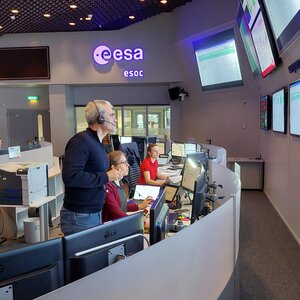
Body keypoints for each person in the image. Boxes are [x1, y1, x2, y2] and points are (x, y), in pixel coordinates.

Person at [60, 99, 122, 236]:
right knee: (82, 257)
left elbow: (94, 173)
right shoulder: (80, 141)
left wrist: (112, 174)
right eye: (112, 115)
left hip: (92, 213)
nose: (115, 119)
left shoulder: (98, 143)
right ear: (100, 118)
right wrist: (107, 176)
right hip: (80, 216)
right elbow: (71, 177)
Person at [102, 150, 152, 222]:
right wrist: (140, 222)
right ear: (114, 167)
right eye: (124, 162)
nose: (128, 165)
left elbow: (122, 206)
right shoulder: (107, 186)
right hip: (111, 228)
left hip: (120, 223)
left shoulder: (119, 182)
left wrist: (139, 206)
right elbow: (117, 213)